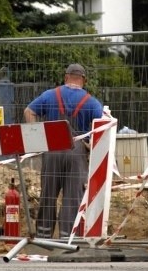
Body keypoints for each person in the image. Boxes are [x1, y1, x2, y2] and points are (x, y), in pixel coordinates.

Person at [24, 63, 103, 239]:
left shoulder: (50, 95)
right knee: (71, 198)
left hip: (52, 149)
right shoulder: (91, 102)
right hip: (77, 154)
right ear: (84, 80)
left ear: (66, 77)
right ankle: (67, 238)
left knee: (48, 194)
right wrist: (91, 145)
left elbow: (29, 111)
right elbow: (102, 127)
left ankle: (43, 237)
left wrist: (38, 139)